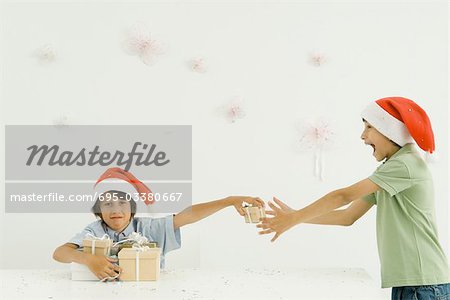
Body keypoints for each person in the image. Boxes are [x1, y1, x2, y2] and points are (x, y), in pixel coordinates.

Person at [257, 97, 449, 299]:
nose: (362, 136)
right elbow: (347, 216)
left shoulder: (405, 164)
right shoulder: (390, 171)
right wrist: (296, 216)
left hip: (424, 285)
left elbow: (343, 196)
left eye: (369, 127)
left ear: (389, 131)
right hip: (415, 284)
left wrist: (293, 219)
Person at [53, 167, 264, 280]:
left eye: (122, 203)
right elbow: (60, 253)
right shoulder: (94, 231)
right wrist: (89, 260)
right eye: (107, 204)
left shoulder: (148, 228)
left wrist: (228, 201)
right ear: (98, 211)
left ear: (133, 207)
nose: (115, 209)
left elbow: (188, 216)